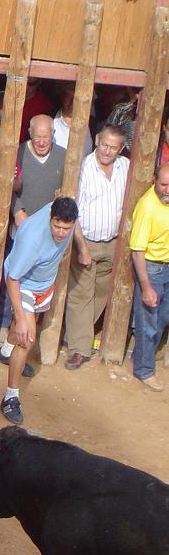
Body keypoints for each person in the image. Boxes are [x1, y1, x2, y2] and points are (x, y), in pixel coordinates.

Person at [0, 197, 78, 424]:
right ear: (50, 217)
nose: (61, 233)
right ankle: (10, 398)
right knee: (27, 338)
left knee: (21, 334)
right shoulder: (32, 241)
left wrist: (81, 246)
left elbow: (64, 201)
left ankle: (6, 350)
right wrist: (22, 316)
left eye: (67, 228)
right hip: (23, 283)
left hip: (44, 284)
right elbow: (13, 278)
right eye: (56, 226)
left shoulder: (66, 212)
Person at [64, 125, 127, 371]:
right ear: (98, 140)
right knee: (80, 294)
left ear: (120, 148)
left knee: (101, 293)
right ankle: (79, 349)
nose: (107, 151)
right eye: (104, 145)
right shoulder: (83, 168)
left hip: (113, 242)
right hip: (87, 239)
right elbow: (74, 212)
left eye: (113, 147)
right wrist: (81, 246)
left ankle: (75, 335)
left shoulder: (126, 167)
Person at [129, 164, 169, 393]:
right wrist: (145, 286)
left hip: (167, 264)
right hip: (152, 268)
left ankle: (142, 355)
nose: (167, 190)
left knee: (161, 317)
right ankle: (144, 370)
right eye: (163, 184)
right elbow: (137, 251)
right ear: (154, 180)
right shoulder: (147, 207)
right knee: (148, 321)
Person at [11, 115, 65, 230]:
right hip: (22, 226)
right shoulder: (17, 154)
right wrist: (17, 210)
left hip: (50, 228)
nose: (41, 142)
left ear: (53, 133)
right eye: (37, 137)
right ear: (30, 133)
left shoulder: (63, 156)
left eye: (46, 137)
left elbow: (70, 189)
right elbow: (4, 186)